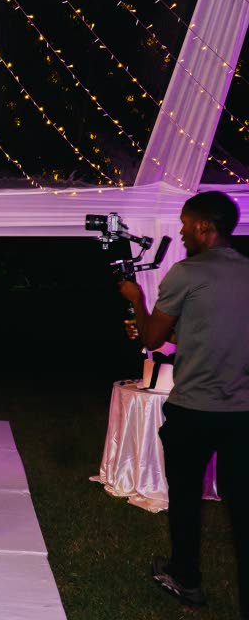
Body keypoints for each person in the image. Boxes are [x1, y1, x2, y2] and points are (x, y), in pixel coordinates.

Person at [119, 190, 249, 613]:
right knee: (243, 507)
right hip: (243, 414)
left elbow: (154, 338)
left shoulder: (186, 272)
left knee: (187, 497)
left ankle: (187, 580)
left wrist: (137, 301)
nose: (180, 231)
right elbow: (203, 334)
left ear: (204, 227)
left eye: (185, 224)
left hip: (194, 410)